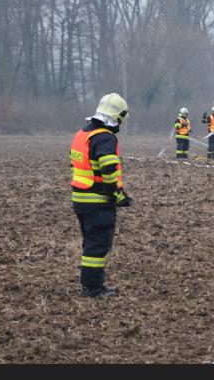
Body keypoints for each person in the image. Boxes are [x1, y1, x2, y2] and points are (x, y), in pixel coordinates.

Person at [69, 93, 132, 298]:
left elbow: (78, 165)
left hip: (80, 199)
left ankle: (90, 284)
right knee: (98, 245)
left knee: (90, 243)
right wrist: (116, 195)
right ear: (118, 116)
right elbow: (108, 169)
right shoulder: (105, 137)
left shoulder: (82, 134)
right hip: (98, 200)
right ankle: (93, 288)